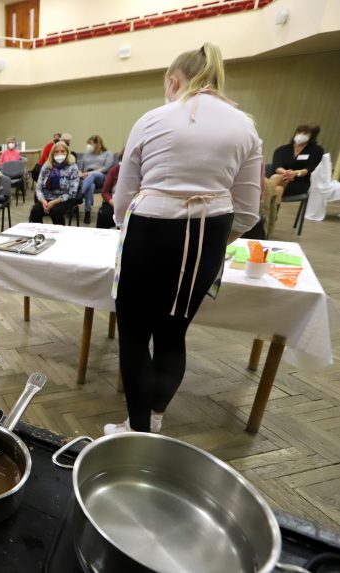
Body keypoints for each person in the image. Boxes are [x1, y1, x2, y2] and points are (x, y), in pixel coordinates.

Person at [106, 42, 262, 435]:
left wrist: (124, 222)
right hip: (208, 234)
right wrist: (215, 241)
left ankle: (136, 428)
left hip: (150, 232)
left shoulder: (153, 118)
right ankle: (155, 417)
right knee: (174, 334)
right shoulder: (246, 126)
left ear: (173, 80)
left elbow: (123, 197)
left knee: (135, 336)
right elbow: (247, 211)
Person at [269, 123, 324, 203]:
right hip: (281, 177)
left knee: (275, 178)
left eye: (305, 133)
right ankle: (270, 215)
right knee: (278, 189)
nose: (300, 135)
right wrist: (287, 173)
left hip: (299, 182)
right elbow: (277, 166)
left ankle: (259, 203)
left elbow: (310, 168)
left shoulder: (316, 150)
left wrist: (295, 173)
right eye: (299, 132)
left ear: (312, 136)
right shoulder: (282, 149)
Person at [29, 141, 78, 225]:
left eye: (62, 151)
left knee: (55, 211)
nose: (60, 154)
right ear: (52, 154)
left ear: (67, 153)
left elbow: (72, 192)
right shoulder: (46, 166)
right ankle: (38, 235)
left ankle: (59, 235)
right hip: (46, 198)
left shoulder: (72, 167)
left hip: (64, 198)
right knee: (35, 211)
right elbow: (39, 187)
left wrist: (54, 202)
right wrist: (42, 200)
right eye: (57, 151)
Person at [78, 135, 114, 224]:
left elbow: (107, 167)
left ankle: (80, 193)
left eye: (90, 144)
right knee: (91, 186)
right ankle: (87, 212)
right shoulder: (86, 155)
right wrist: (80, 174)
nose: (88, 146)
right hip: (86, 178)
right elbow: (80, 168)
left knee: (93, 175)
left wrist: (89, 173)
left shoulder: (108, 153)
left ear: (98, 144)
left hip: (101, 177)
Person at [96, 148, 123, 229]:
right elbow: (105, 192)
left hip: (132, 204)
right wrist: (114, 204)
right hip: (113, 202)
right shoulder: (114, 169)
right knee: (104, 214)